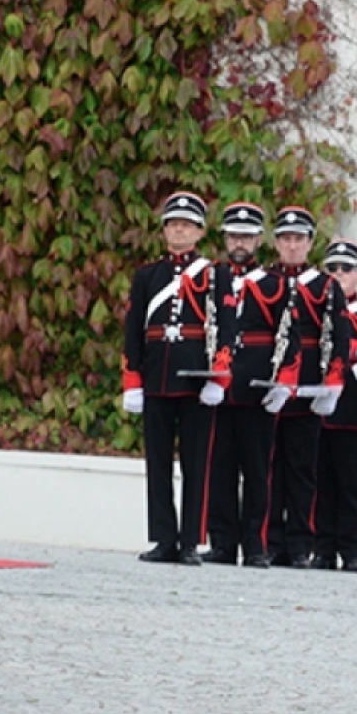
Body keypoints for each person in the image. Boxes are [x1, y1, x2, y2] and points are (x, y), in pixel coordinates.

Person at [121, 192, 234, 565]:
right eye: (172, 224)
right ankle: (163, 539)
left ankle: (190, 541)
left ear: (200, 232)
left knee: (196, 463)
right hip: (156, 377)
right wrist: (133, 380)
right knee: (157, 462)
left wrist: (218, 380)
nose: (178, 231)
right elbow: (133, 330)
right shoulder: (147, 276)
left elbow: (227, 330)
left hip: (196, 380)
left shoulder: (216, 276)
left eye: (186, 225)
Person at [262, 206, 348, 567]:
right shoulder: (264, 280)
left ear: (310, 243)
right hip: (269, 383)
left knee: (301, 468)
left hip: (308, 383)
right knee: (268, 465)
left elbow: (337, 334)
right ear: (277, 243)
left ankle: (300, 543)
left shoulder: (326, 286)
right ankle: (271, 541)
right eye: (285, 239)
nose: (292, 245)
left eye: (298, 239)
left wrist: (333, 382)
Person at [201, 202, 274, 567]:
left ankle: (256, 546)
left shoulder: (274, 283)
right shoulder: (211, 279)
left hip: (257, 385)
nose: (240, 242)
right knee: (220, 468)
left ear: (259, 239)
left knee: (258, 470)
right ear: (224, 238)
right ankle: (223, 543)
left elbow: (285, 334)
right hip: (219, 386)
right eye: (234, 236)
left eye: (246, 236)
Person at [313, 239, 357, 571]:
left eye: (346, 269)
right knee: (320, 482)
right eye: (332, 269)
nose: (339, 275)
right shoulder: (314, 309)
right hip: (318, 408)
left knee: (351, 484)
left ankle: (351, 550)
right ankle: (322, 548)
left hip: (355, 410)